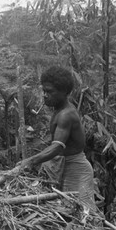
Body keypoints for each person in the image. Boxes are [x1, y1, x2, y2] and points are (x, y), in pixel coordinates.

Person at [18, 66, 97, 212]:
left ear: (64, 92)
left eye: (50, 91)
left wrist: (30, 161)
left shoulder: (66, 115)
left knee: (85, 217)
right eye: (44, 91)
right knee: (67, 213)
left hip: (77, 170)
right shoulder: (59, 111)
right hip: (63, 167)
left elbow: (57, 147)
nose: (45, 95)